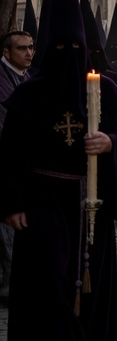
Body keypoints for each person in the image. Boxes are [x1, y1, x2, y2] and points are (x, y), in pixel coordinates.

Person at [0, 0, 117, 340]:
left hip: (90, 204)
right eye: (60, 48)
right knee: (47, 290)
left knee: (90, 298)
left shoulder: (106, 91)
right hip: (42, 208)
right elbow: (9, 153)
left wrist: (110, 143)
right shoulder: (28, 96)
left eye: (76, 48)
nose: (68, 54)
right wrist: (11, 204)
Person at [0, 29, 35, 302]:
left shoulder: (28, 78)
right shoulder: (2, 80)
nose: (28, 53)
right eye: (22, 48)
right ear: (7, 52)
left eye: (31, 48)